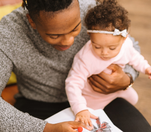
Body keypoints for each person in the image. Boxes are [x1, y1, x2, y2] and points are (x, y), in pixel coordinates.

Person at [0, 0, 151, 132]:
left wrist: (126, 77)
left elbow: (128, 45)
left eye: (76, 28)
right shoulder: (10, 32)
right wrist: (43, 129)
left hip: (99, 98)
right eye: (54, 35)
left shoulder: (91, 10)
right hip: (40, 106)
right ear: (31, 21)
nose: (69, 40)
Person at [65, 0, 151, 130]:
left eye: (112, 48)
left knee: (134, 98)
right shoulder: (85, 57)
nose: (104, 53)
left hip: (117, 89)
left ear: (124, 38)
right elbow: (73, 83)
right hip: (93, 97)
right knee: (94, 121)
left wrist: (146, 68)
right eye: (97, 46)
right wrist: (80, 109)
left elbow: (134, 58)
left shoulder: (126, 45)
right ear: (90, 36)